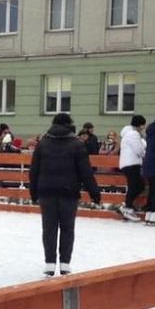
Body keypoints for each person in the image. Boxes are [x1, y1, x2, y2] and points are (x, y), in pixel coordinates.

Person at [29, 113, 101, 276]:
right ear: (70, 125)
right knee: (67, 228)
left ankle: (49, 263)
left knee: (49, 228)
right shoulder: (77, 145)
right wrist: (94, 193)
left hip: (46, 192)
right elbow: (86, 172)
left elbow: (34, 171)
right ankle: (65, 263)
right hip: (69, 192)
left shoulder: (43, 144)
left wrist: (33, 192)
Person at [117, 114, 147, 222]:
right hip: (132, 164)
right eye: (143, 125)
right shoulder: (134, 134)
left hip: (128, 163)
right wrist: (144, 151)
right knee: (137, 186)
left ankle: (126, 206)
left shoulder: (128, 134)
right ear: (139, 125)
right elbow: (139, 150)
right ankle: (127, 207)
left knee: (135, 186)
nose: (143, 128)